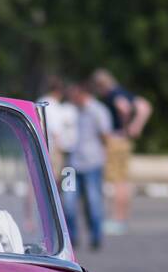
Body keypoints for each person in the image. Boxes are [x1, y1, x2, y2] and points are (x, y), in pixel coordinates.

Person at [91, 68, 151, 234]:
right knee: (123, 181)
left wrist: (125, 128)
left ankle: (116, 219)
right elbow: (144, 106)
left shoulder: (112, 94)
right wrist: (136, 126)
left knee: (117, 181)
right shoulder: (122, 91)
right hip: (124, 141)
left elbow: (123, 108)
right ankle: (122, 218)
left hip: (116, 140)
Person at [63, 81, 112, 250]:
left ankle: (96, 236)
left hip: (92, 163)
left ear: (83, 95)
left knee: (93, 201)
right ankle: (71, 237)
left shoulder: (98, 111)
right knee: (68, 202)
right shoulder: (70, 111)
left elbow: (106, 135)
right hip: (70, 165)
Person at [38, 76, 78, 176]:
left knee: (37, 176)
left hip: (38, 143)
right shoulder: (53, 105)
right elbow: (55, 128)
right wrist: (59, 147)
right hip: (51, 146)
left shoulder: (41, 100)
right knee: (53, 177)